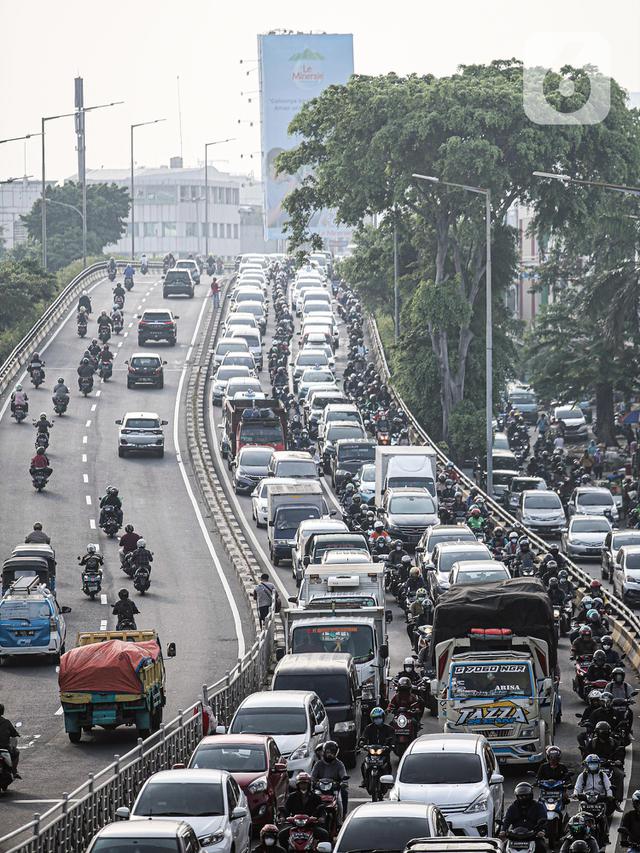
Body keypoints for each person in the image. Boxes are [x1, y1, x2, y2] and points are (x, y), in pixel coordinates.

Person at [574, 755, 614, 842]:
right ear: (587, 764)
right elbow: (577, 787)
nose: (593, 765)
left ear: (599, 764)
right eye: (591, 763)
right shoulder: (582, 775)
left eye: (595, 763)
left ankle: (606, 835)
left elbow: (608, 787)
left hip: (599, 799)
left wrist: (610, 795)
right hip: (586, 800)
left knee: (603, 817)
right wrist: (575, 794)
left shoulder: (603, 775)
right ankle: (576, 833)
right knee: (579, 817)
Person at [501, 781, 548, 853]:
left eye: (526, 796)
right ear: (517, 796)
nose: (523, 798)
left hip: (533, 835)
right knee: (502, 848)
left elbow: (543, 818)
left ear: (531, 795)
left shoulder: (538, 806)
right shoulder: (513, 807)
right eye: (521, 796)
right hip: (515, 836)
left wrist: (542, 830)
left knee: (542, 847)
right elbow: (507, 819)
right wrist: (503, 830)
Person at [311, 741, 348, 817]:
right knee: (311, 797)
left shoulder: (339, 764)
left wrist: (344, 783)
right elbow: (312, 776)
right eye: (328, 752)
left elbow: (343, 775)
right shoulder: (318, 764)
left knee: (344, 793)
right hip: (320, 788)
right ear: (324, 752)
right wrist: (312, 783)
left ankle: (343, 815)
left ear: (336, 753)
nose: (330, 754)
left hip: (334, 789)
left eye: (332, 753)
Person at [360, 707, 394, 787]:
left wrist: (391, 745)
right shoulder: (368, 728)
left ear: (383, 717)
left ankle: (388, 782)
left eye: (379, 717)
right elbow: (364, 737)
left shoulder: (389, 728)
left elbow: (393, 738)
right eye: (375, 718)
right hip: (371, 752)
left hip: (384, 752)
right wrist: (362, 743)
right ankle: (365, 780)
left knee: (388, 765)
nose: (377, 720)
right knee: (363, 765)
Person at [0, 704, 21, 779]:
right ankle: (14, 771)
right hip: (4, 748)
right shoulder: (6, 722)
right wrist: (17, 734)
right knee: (16, 752)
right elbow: (14, 733)